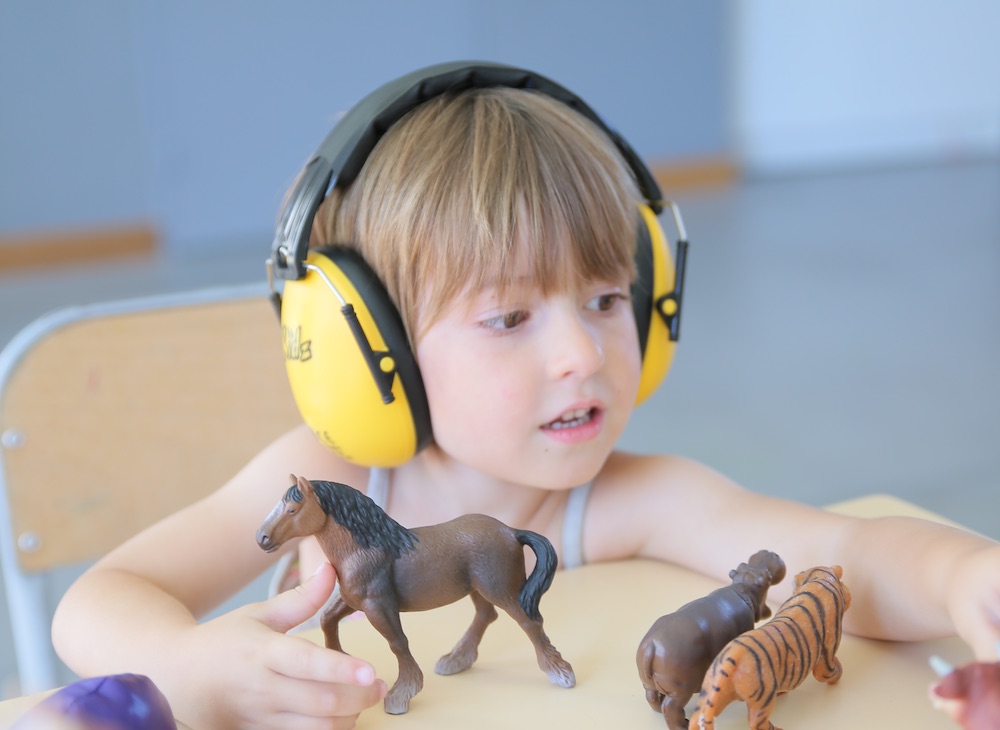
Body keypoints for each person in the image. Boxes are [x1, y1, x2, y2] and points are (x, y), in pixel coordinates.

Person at [51, 63, 1000, 730]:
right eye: (509, 319)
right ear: (368, 349)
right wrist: (185, 664)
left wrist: (966, 579)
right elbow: (99, 602)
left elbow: (842, 557)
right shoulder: (336, 476)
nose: (583, 353)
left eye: (604, 298)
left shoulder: (631, 499)